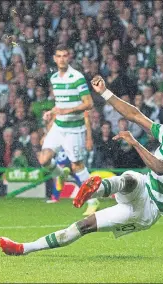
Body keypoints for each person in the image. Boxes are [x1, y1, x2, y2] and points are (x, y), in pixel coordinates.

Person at [0, 76, 163, 257]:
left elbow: (162, 167)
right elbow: (135, 115)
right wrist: (105, 92)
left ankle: (96, 191)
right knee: (130, 179)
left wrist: (135, 143)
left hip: (149, 209)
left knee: (83, 226)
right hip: (144, 185)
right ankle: (23, 247)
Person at [36, 45, 99, 215]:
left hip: (74, 129)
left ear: (69, 57)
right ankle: (61, 175)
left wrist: (68, 111)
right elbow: (60, 104)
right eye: (59, 56)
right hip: (59, 126)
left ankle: (93, 201)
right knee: (44, 159)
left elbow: (89, 104)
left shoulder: (77, 77)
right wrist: (52, 112)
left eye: (65, 55)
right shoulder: (55, 78)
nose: (62, 59)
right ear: (55, 59)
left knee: (77, 166)